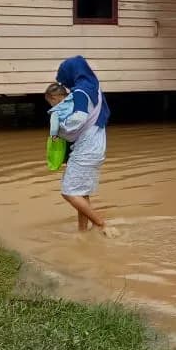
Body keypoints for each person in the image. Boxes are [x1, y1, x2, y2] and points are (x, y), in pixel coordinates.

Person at [51, 56, 117, 236]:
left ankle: (101, 224)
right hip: (96, 145)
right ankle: (82, 232)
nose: (64, 84)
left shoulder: (80, 92)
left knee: (69, 192)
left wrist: (58, 131)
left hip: (86, 148)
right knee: (81, 192)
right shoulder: (94, 88)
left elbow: (76, 121)